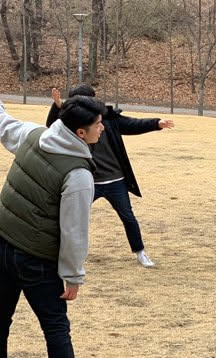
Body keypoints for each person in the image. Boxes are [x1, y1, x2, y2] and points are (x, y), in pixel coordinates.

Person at [0, 86, 110, 358]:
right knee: (55, 326)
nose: (102, 128)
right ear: (80, 132)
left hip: (1, 244)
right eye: (98, 124)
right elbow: (74, 232)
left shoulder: (34, 135)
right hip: (35, 259)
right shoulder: (78, 174)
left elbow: (3, 125)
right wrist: (73, 276)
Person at [47, 86, 174, 267]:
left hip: (116, 180)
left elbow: (132, 124)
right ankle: (60, 252)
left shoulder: (108, 119)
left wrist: (156, 123)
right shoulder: (72, 124)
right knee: (73, 216)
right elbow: (53, 128)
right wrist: (57, 106)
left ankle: (140, 252)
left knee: (128, 217)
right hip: (88, 181)